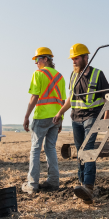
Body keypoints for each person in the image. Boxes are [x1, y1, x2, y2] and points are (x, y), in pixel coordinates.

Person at [53, 43, 109, 204]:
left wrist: (106, 118)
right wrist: (60, 112)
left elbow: (108, 98)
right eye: (72, 59)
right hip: (76, 119)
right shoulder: (73, 75)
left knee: (88, 150)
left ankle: (88, 186)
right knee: (80, 152)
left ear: (86, 57)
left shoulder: (98, 74)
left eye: (76, 58)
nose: (74, 61)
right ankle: (82, 186)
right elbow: (71, 98)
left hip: (92, 117)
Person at [21, 47, 66, 196]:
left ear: (46, 59)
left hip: (42, 117)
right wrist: (61, 119)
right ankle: (53, 182)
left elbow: (34, 97)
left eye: (37, 59)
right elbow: (62, 101)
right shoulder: (60, 77)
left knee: (35, 148)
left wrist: (27, 116)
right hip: (56, 118)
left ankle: (32, 184)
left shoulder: (38, 74)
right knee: (50, 148)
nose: (36, 63)